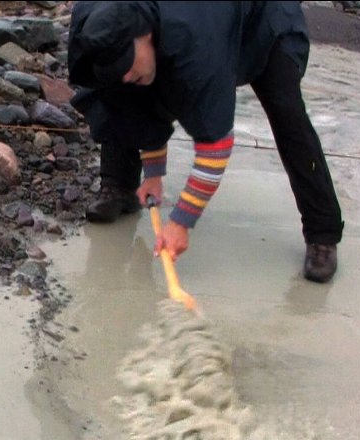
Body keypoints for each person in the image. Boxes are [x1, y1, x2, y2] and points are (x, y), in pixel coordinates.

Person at [67, 1, 345, 283]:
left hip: (262, 19)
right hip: (182, 22)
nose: (125, 72)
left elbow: (216, 145)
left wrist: (181, 221)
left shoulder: (195, 43)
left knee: (288, 116)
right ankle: (120, 185)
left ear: (146, 35)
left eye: (126, 62)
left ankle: (322, 234)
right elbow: (136, 104)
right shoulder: (91, 20)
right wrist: (153, 174)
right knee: (120, 86)